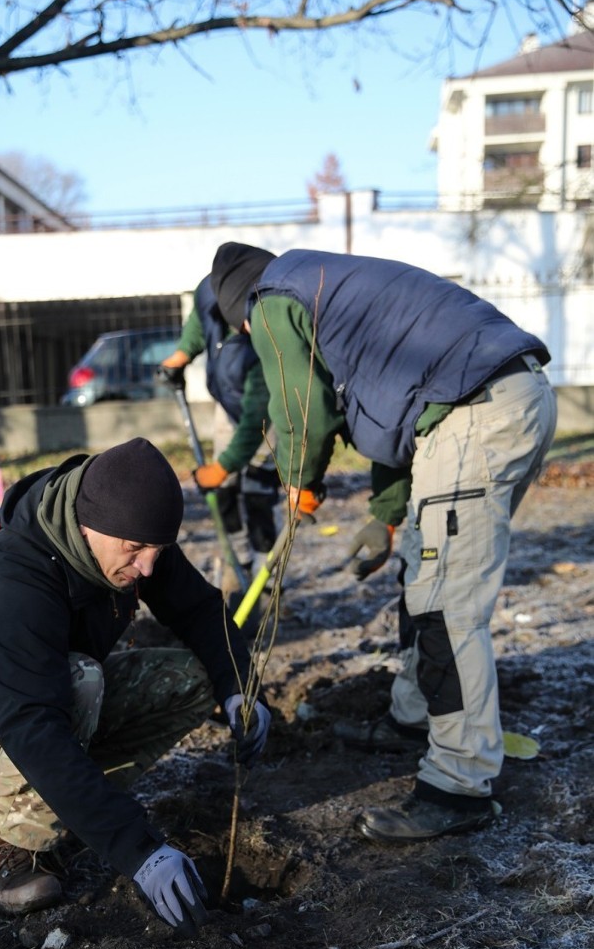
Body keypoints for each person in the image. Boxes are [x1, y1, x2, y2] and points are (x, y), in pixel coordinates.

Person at [204, 242, 557, 843]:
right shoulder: (328, 286)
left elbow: (301, 409)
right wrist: (388, 515)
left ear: (239, 311)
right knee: (426, 580)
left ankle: (458, 783)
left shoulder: (270, 301)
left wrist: (299, 482)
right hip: (494, 404)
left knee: (447, 606)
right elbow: (405, 399)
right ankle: (415, 714)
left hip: (476, 418)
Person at [0, 437, 270, 932]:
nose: (148, 567)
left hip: (44, 693)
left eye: (158, 550)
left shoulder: (131, 536)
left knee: (191, 678)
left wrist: (239, 686)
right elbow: (30, 725)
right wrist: (141, 852)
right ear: (90, 527)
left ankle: (70, 802)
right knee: (79, 682)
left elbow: (199, 609)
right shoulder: (15, 576)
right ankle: (5, 848)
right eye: (136, 551)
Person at [160, 259, 280, 589]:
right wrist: (182, 354)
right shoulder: (210, 292)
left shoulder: (266, 328)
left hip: (270, 414)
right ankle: (237, 562)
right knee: (223, 490)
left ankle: (267, 576)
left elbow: (258, 417)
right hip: (228, 405)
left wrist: (224, 465)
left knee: (259, 493)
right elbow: (199, 324)